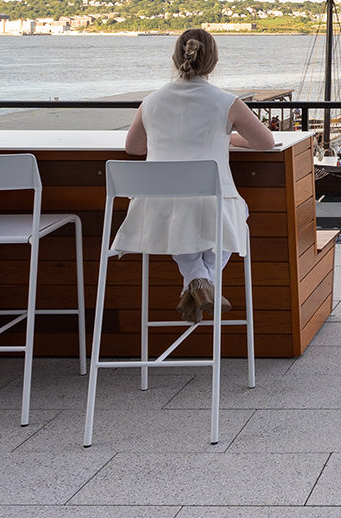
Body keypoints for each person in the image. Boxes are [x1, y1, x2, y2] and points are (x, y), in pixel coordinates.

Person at [117, 28, 276, 322]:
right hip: (210, 205)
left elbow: (134, 147)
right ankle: (204, 281)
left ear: (176, 58)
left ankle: (196, 282)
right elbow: (265, 143)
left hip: (153, 210)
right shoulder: (226, 102)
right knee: (234, 215)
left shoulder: (150, 102)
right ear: (213, 62)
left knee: (181, 219)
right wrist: (225, 137)